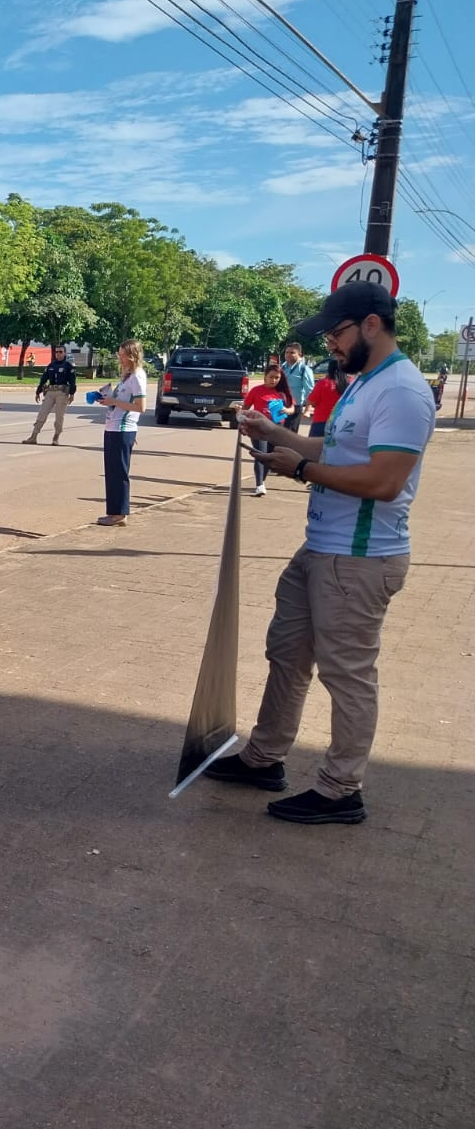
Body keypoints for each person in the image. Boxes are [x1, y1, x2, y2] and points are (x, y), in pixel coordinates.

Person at [206, 281, 436, 825]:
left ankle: (341, 789)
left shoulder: (401, 390)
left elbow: (383, 480)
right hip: (321, 549)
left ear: (371, 325)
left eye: (336, 333)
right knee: (287, 653)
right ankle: (265, 758)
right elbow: (334, 448)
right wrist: (274, 433)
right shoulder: (363, 384)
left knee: (348, 674)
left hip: (360, 559)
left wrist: (302, 470)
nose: (329, 345)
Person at [95, 339, 147, 527]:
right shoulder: (126, 376)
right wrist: (108, 398)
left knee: (119, 472)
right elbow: (121, 399)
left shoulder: (137, 377)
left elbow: (141, 407)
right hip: (112, 426)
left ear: (134, 356)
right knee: (112, 472)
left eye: (124, 355)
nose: (121, 359)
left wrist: (114, 402)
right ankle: (114, 511)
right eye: (120, 354)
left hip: (123, 429)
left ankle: (119, 513)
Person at [241, 363, 294, 496]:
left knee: (269, 457)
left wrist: (287, 410)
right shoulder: (256, 390)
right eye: (271, 377)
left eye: (277, 377)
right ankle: (259, 484)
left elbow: (293, 408)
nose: (274, 380)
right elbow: (245, 407)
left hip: (276, 428)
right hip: (259, 427)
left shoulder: (283, 393)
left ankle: (262, 481)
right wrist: (240, 415)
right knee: (260, 454)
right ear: (265, 377)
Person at [23, 344, 78, 445]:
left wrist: (72, 394)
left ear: (65, 353)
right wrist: (38, 391)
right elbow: (44, 379)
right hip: (50, 392)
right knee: (42, 414)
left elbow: (72, 381)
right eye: (56, 352)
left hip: (62, 393)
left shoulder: (68, 366)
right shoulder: (51, 365)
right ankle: (33, 436)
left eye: (60, 352)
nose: (58, 354)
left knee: (59, 416)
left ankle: (56, 437)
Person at [306, 358, 348, 438]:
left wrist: (308, 410)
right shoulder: (350, 384)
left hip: (321, 422)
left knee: (314, 448)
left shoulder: (323, 383)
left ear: (329, 369)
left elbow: (312, 401)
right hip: (342, 422)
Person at [281, 342, 315, 432]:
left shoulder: (304, 370)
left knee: (289, 435)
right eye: (287, 352)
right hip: (280, 404)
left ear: (300, 354)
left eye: (292, 353)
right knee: (276, 434)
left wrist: (307, 409)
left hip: (295, 406)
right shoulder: (282, 367)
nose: (288, 355)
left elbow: (310, 391)